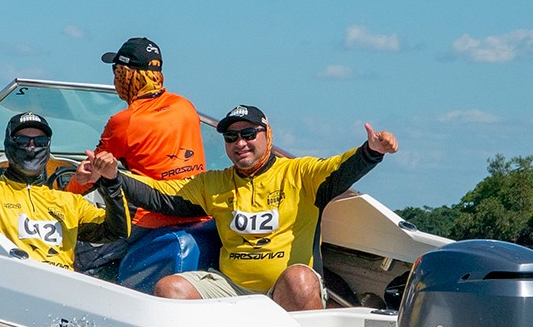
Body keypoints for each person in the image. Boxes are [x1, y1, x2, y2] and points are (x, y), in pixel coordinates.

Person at [102, 103, 398, 311]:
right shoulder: (214, 184)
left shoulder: (299, 174)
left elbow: (339, 169)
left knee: (301, 280)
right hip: (231, 288)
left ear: (267, 136)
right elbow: (161, 196)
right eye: (231, 137)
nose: (239, 143)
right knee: (170, 289)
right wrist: (114, 177)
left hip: (285, 292)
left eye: (248, 134)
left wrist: (371, 151)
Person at [67, 37, 208, 267]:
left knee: (76, 254)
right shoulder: (186, 106)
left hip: (152, 219)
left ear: (127, 74)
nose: (113, 78)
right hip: (197, 213)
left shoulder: (124, 122)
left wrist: (62, 192)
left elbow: (92, 173)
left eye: (116, 71)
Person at [0, 111, 130, 270]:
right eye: (22, 141)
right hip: (10, 278)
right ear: (9, 144)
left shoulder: (70, 202)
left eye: (40, 142)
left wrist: (110, 181)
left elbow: (118, 231)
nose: (31, 147)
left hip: (62, 285)